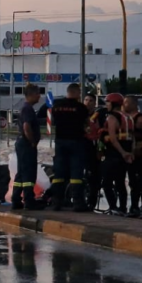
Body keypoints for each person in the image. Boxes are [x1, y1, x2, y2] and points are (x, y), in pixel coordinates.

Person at [50, 83, 90, 211]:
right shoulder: (81, 108)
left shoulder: (56, 106)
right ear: (77, 92)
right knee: (76, 174)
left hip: (60, 142)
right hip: (76, 142)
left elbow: (53, 121)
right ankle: (78, 203)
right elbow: (87, 124)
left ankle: (57, 202)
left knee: (59, 174)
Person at [100, 93, 134, 216]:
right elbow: (132, 138)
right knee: (120, 183)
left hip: (113, 155)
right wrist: (129, 153)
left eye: (107, 102)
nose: (106, 105)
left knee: (107, 183)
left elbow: (113, 139)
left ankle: (114, 207)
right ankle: (123, 208)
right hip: (124, 155)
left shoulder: (111, 118)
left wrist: (123, 153)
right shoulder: (128, 118)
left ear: (113, 104)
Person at [11, 84, 42, 210]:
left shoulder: (26, 108)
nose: (39, 96)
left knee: (21, 173)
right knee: (29, 172)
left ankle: (16, 199)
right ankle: (29, 200)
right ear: (31, 95)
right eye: (38, 93)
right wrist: (32, 141)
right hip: (26, 144)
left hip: (22, 144)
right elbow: (26, 127)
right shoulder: (28, 109)